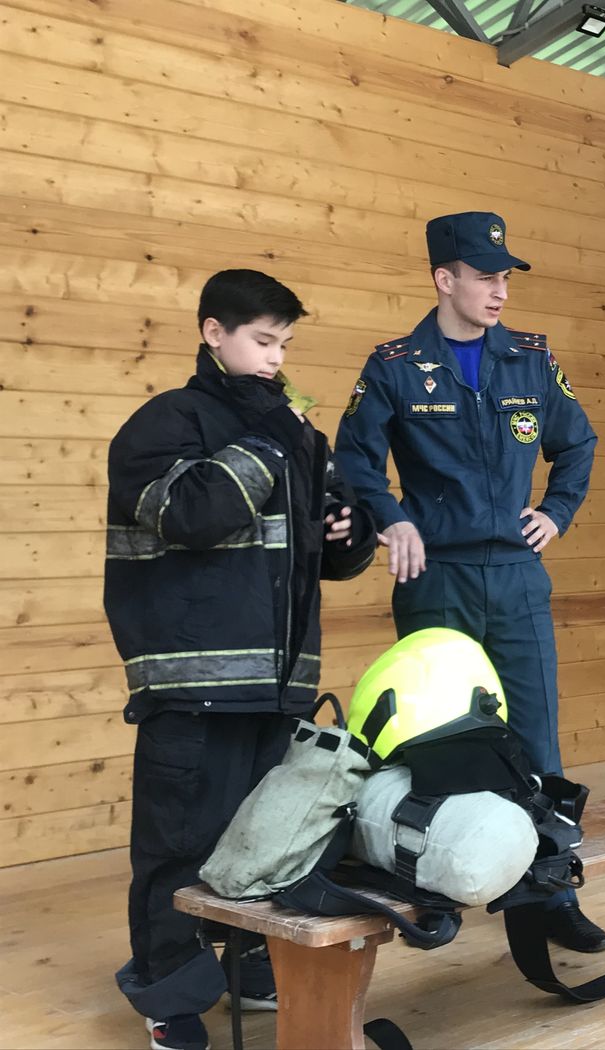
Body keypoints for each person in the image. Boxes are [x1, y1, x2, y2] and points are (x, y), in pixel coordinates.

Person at [104, 269, 378, 1050]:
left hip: (280, 687)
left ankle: (249, 968)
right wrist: (266, 440)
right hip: (192, 687)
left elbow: (334, 553)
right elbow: (190, 515)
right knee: (177, 849)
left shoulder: (295, 434)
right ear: (213, 333)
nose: (275, 358)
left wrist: (347, 530)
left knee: (269, 843)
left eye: (284, 344)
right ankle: (170, 997)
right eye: (262, 341)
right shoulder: (165, 423)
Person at [333, 212, 605, 952]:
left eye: (505, 277)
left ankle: (548, 898)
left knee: (536, 739)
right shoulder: (394, 365)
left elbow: (577, 442)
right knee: (439, 741)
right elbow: (354, 457)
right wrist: (394, 519)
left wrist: (557, 511)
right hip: (437, 579)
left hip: (516, 577)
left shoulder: (530, 359)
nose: (500, 291)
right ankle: (435, 888)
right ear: (444, 279)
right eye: (486, 277)